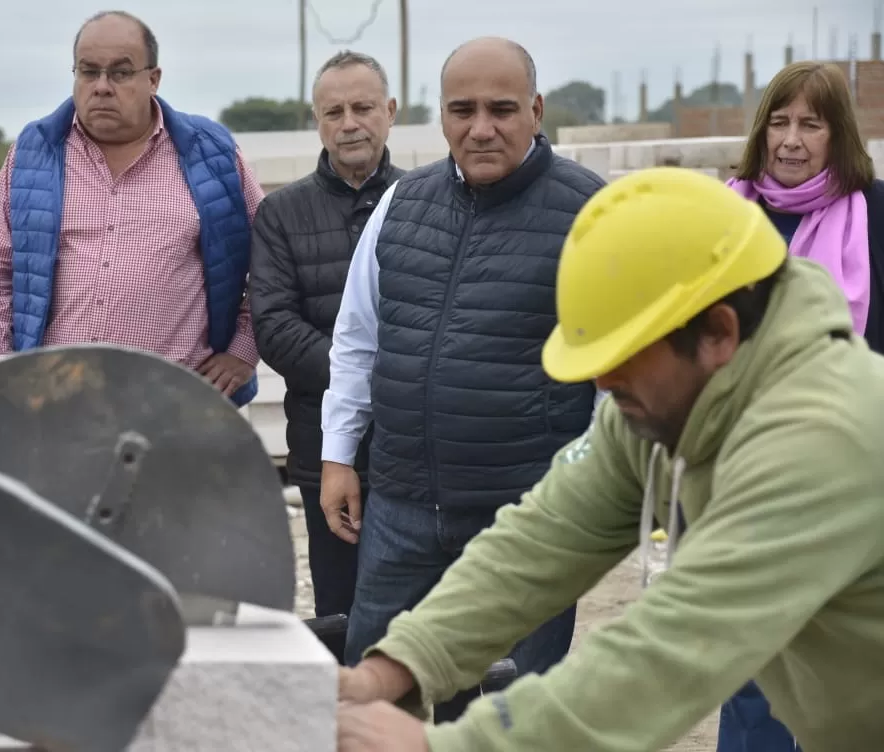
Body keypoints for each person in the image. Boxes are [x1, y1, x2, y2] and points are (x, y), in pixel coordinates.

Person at [333, 166, 884, 752]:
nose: (601, 377)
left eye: (624, 354)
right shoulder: (675, 394)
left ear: (718, 333)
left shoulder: (825, 438)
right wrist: (394, 668)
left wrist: (444, 745)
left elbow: (672, 650)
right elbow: (544, 537)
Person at [319, 36, 604, 719]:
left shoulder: (591, 217)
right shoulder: (401, 205)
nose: (481, 128)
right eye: (462, 109)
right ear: (439, 116)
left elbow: (617, 379)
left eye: (502, 109)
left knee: (519, 705)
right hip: (402, 505)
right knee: (375, 683)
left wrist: (584, 495)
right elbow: (358, 339)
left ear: (536, 110)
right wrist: (337, 456)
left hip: (529, 516)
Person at [714, 60, 884, 752]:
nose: (791, 140)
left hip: (850, 487)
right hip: (742, 486)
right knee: (751, 667)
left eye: (811, 124)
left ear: (836, 133)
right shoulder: (722, 217)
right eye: (779, 122)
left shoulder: (875, 213)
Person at [0, 10, 262, 406]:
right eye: (88, 72)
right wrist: (5, 371)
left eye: (120, 73)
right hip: (58, 404)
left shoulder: (212, 154)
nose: (102, 87)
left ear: (153, 79)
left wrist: (244, 350)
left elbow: (272, 261)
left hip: (176, 406)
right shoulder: (34, 153)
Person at [249, 50, 404, 626]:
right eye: (333, 111)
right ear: (317, 121)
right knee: (344, 617)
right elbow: (275, 328)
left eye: (363, 107)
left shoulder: (427, 201)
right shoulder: (280, 215)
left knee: (434, 619)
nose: (349, 122)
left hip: (416, 450)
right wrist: (371, 379)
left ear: (389, 111)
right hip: (323, 454)